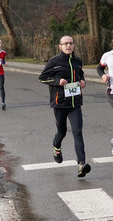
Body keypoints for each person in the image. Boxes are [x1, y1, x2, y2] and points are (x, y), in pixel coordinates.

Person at [39, 35, 91, 177]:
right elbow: (42, 78)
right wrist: (57, 81)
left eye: (71, 43)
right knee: (61, 132)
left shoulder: (78, 61)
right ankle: (57, 147)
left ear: (74, 45)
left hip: (75, 103)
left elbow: (81, 75)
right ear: (60, 46)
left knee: (77, 132)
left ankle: (81, 164)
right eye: (65, 44)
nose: (68, 46)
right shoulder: (54, 61)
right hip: (60, 103)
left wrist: (82, 82)